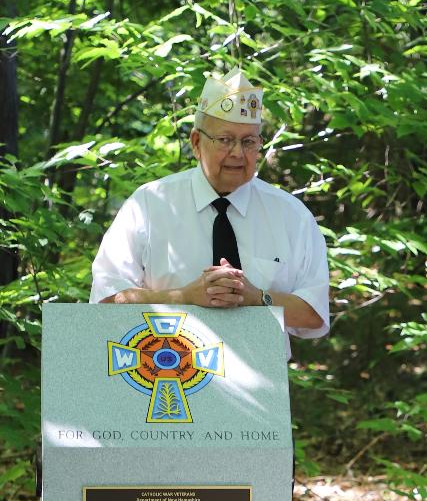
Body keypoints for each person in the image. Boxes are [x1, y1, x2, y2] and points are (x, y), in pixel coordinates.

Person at [91, 69, 329, 352]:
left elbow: (314, 313)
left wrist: (256, 297)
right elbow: (106, 300)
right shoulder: (149, 204)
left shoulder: (290, 215)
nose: (238, 154)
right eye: (225, 140)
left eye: (249, 142)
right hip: (163, 375)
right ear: (196, 143)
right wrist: (184, 297)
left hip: (260, 383)